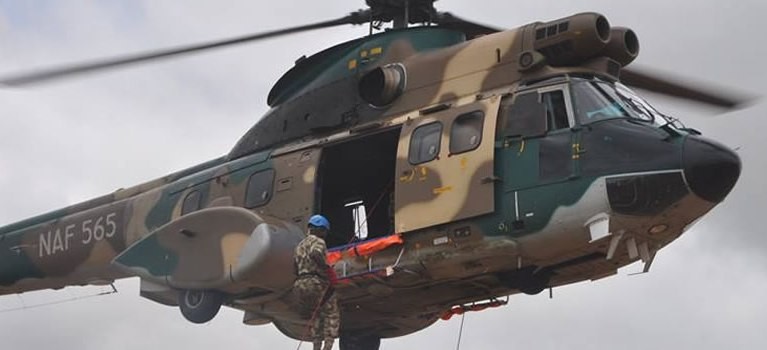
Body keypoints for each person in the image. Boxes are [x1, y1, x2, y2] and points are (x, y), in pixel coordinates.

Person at [293, 214, 340, 350]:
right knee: (331, 313)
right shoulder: (319, 242)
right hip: (315, 282)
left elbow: (294, 268)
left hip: (301, 284)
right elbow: (315, 253)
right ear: (320, 230)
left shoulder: (299, 246)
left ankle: (316, 347)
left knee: (317, 315)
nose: (325, 235)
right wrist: (327, 269)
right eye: (324, 231)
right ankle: (328, 346)